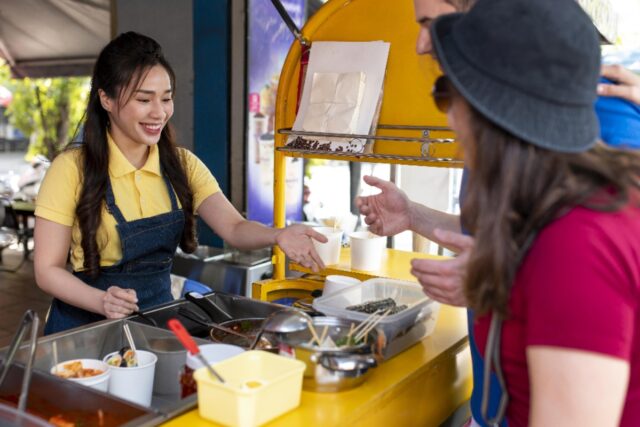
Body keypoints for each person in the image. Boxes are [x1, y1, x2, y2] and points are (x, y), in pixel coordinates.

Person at [358, 0, 640, 425]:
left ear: (496, 106)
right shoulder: (559, 198)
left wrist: (503, 279)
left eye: (448, 93)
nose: (449, 118)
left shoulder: (575, 244)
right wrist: (416, 216)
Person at [34, 32, 327, 335]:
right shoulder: (71, 169)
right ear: (106, 99)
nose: (159, 112)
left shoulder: (182, 165)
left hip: (157, 324)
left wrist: (278, 235)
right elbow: (47, 270)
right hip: (84, 330)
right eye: (144, 99)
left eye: (166, 98)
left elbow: (235, 229)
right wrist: (101, 300)